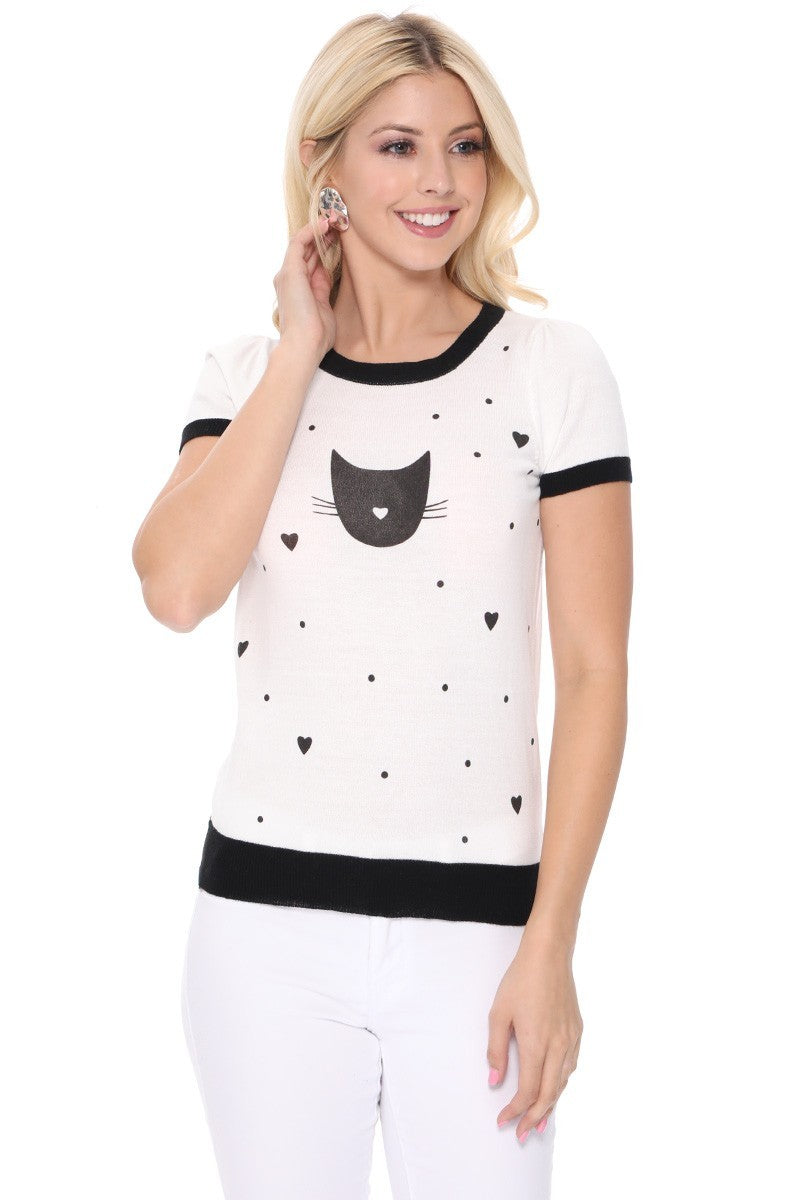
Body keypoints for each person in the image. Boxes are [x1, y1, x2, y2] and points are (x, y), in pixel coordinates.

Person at [131, 12, 633, 1199]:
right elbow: (177, 589)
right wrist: (298, 350)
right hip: (261, 932)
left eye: (465, 146)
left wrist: (549, 944)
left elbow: (594, 672)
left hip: (482, 936)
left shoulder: (551, 371)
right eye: (397, 146)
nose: (438, 181)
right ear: (326, 165)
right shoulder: (244, 375)